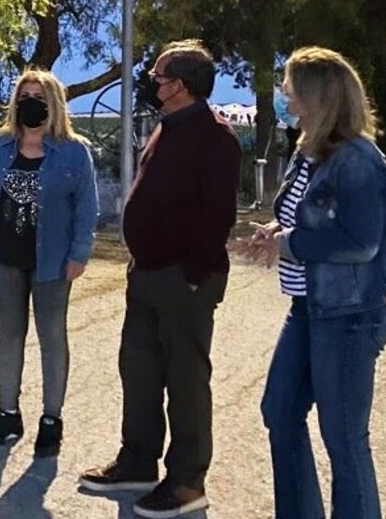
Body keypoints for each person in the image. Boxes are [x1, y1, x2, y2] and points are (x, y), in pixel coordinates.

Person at [235, 47, 386, 519]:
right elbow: (307, 218)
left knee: (344, 439)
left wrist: (288, 243)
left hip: (350, 314)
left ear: (317, 93)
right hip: (308, 308)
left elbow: (360, 242)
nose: (283, 91)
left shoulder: (358, 159)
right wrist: (274, 232)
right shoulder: (308, 150)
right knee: (280, 412)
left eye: (289, 83)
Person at [80, 39, 242, 519]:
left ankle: (188, 482)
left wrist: (194, 276)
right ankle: (137, 463)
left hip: (184, 280)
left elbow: (218, 215)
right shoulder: (166, 128)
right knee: (140, 372)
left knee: (186, 382)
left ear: (183, 85)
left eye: (159, 76)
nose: (152, 83)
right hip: (147, 276)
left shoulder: (215, 137)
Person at [0, 68, 98, 458]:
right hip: (6, 256)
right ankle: (7, 413)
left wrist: (79, 253)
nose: (31, 103)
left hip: (53, 260)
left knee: (52, 338)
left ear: (53, 103)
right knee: (9, 336)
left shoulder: (74, 151)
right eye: (24, 97)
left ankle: (51, 420)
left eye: (39, 96)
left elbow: (86, 207)